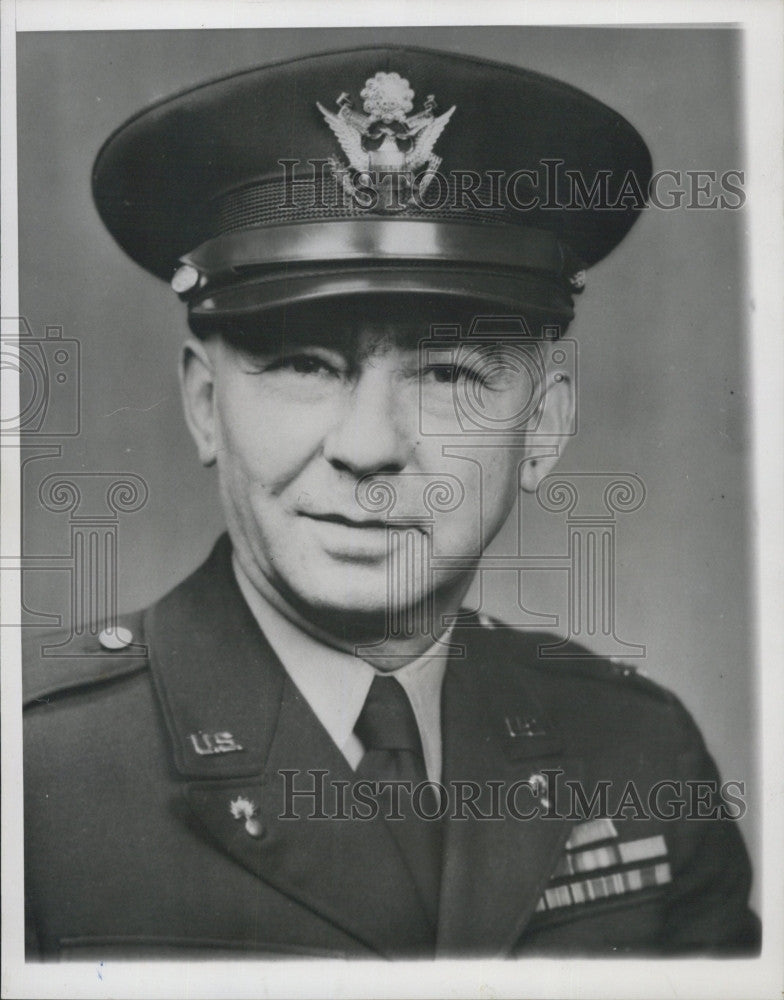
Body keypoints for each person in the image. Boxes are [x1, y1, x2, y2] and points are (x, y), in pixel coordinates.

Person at [23, 45, 759, 959]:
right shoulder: (33, 773)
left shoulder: (640, 751)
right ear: (206, 406)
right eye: (303, 364)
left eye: (447, 372)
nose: (368, 446)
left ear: (543, 428)